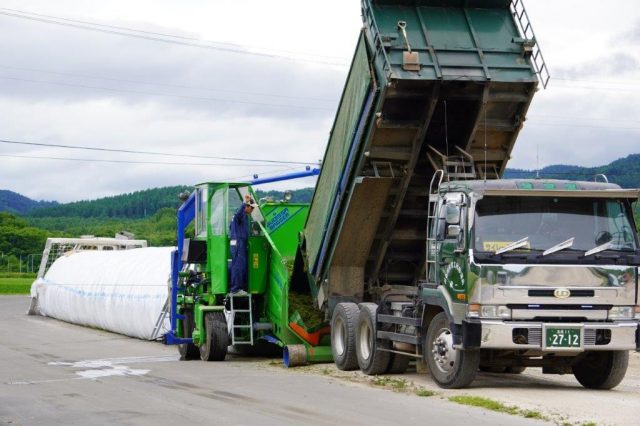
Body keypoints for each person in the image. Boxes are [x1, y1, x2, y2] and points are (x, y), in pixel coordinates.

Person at [229, 195, 257, 295]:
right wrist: (245, 202)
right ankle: (236, 289)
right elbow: (238, 214)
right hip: (239, 243)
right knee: (239, 266)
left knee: (240, 265)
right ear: (247, 207)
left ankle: (239, 287)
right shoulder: (240, 214)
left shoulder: (243, 217)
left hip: (238, 243)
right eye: (252, 207)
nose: (252, 210)